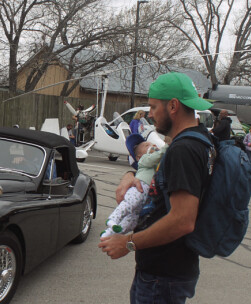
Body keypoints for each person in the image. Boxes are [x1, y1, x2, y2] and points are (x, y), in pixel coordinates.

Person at [98, 72, 213, 303]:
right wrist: (130, 174)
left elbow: (183, 220)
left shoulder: (184, 150)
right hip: (167, 272)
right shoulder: (196, 142)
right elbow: (157, 175)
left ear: (173, 106)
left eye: (153, 107)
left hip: (164, 275)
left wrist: (128, 243)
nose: (149, 114)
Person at [101, 134, 167, 238]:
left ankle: (110, 233)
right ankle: (113, 219)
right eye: (146, 145)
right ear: (138, 157)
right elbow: (155, 157)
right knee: (129, 203)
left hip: (146, 197)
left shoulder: (156, 164)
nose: (152, 145)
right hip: (140, 188)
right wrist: (166, 147)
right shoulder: (145, 159)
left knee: (133, 219)